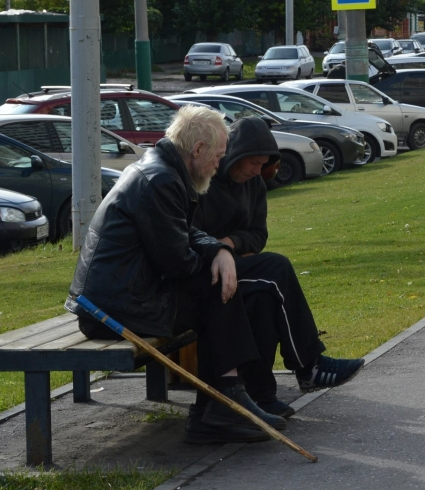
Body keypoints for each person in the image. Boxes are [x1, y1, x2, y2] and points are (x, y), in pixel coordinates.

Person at [65, 105, 287, 445]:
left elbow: (184, 233)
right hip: (110, 310)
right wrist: (220, 262)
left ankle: (220, 405)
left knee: (219, 285)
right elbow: (177, 263)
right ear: (197, 150)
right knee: (218, 289)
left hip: (124, 297)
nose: (219, 163)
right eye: (217, 155)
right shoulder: (161, 180)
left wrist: (219, 251)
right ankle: (222, 403)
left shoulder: (165, 172)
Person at [194, 116, 363, 418]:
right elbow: (190, 234)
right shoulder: (205, 182)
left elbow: (258, 235)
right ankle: (309, 364)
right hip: (205, 271)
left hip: (234, 263)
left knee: (263, 295)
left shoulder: (255, 184)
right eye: (252, 163)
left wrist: (230, 243)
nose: (256, 171)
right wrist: (217, 250)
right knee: (275, 267)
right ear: (235, 155)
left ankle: (261, 395)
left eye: (262, 165)